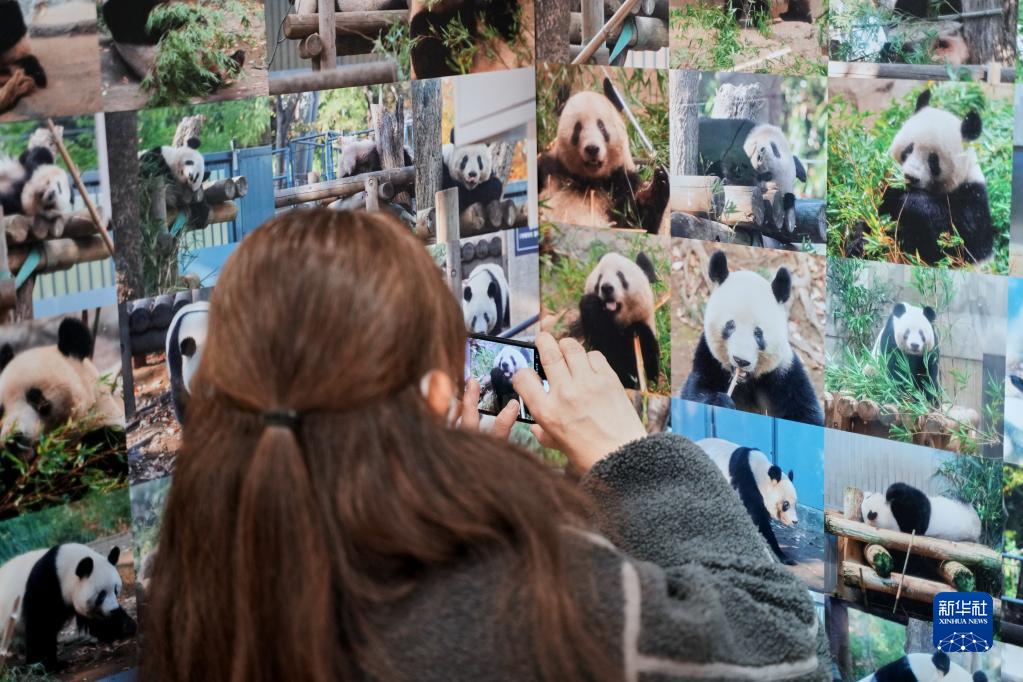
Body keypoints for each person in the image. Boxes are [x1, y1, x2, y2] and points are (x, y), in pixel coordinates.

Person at [144, 209, 830, 681]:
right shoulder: (520, 600)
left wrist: (411, 475)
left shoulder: (189, 581)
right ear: (439, 391)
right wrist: (635, 460)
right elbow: (791, 653)